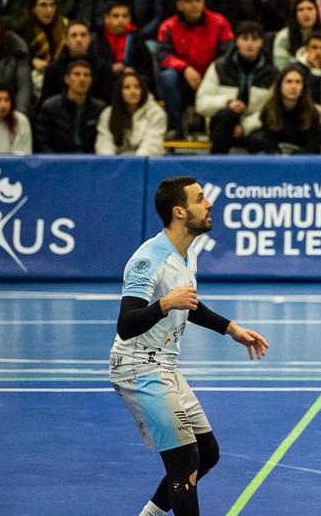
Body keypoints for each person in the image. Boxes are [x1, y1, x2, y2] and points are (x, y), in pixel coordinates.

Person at [110, 176, 268, 516]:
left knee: (207, 453)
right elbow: (126, 325)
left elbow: (189, 304)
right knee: (184, 462)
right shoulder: (148, 260)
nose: (209, 203)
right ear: (179, 212)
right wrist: (165, 303)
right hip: (139, 368)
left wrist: (231, 329)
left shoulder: (185, 254)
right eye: (200, 199)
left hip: (164, 366)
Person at [156, 0, 235, 138]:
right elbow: (163, 56)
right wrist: (185, 68)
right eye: (188, 1)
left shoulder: (219, 22)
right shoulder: (168, 26)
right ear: (179, 4)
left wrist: (211, 75)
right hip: (183, 79)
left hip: (213, 79)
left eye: (198, 0)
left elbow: (228, 54)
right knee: (167, 77)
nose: (194, 5)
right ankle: (176, 128)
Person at [194, 21, 277, 155]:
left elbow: (271, 110)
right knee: (228, 115)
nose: (249, 44)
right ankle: (216, 167)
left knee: (265, 138)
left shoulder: (272, 72)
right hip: (221, 126)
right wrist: (226, 102)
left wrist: (244, 127)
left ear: (261, 42)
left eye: (254, 39)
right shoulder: (219, 66)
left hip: (252, 128)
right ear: (237, 41)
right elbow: (201, 103)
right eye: (244, 39)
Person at [33, 59, 106, 153]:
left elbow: (102, 143)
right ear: (67, 79)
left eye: (86, 75)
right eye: (77, 74)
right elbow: (42, 142)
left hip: (91, 163)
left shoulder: (99, 109)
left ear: (91, 80)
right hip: (58, 162)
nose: (82, 79)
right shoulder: (50, 107)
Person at [249, 66, 321, 154]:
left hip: (301, 158)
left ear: (303, 87)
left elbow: (311, 145)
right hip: (276, 156)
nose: (293, 86)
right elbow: (269, 142)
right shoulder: (269, 109)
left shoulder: (312, 112)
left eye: (298, 82)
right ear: (280, 85)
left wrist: (294, 160)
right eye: (289, 82)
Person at [90, 0, 156, 95]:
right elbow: (95, 65)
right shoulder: (97, 40)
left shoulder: (136, 39)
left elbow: (147, 68)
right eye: (116, 16)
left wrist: (133, 71)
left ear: (129, 19)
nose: (121, 20)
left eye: (125, 16)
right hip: (106, 85)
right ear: (106, 18)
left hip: (133, 84)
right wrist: (110, 68)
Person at [96, 71, 166, 156]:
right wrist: (112, 164)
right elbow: (104, 144)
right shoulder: (108, 114)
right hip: (116, 164)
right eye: (127, 87)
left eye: (137, 87)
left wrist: (134, 164)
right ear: (119, 92)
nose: (133, 91)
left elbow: (153, 144)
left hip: (146, 163)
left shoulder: (156, 113)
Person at [41, 20, 110, 104]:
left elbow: (107, 102)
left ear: (89, 39)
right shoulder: (53, 69)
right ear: (66, 41)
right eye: (74, 35)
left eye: (83, 35)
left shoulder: (102, 68)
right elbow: (47, 102)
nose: (79, 40)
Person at [21, 0, 68, 94]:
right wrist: (31, 62)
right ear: (33, 8)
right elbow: (17, 59)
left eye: (52, 5)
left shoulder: (65, 26)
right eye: (43, 5)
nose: (49, 10)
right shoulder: (23, 30)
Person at [273, 0, 321, 70]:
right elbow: (280, 65)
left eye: (310, 9)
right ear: (294, 14)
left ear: (317, 12)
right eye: (301, 10)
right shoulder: (284, 36)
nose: (306, 13)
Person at [0, 11, 32, 113]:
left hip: (8, 110)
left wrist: (19, 114)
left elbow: (24, 87)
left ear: (0, 28)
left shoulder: (16, 50)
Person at [0, 84, 31, 155]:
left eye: (7, 100)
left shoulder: (20, 120)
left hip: (14, 164)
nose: (3, 105)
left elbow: (23, 154)